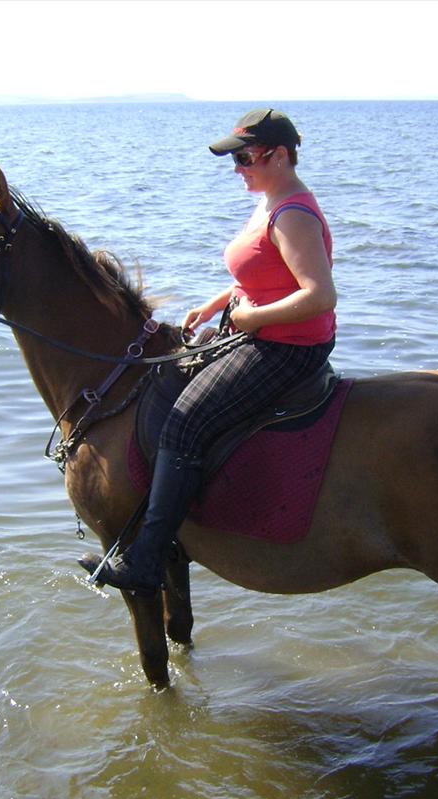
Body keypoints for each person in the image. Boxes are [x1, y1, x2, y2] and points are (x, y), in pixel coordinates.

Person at [81, 108, 338, 595]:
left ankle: (147, 563)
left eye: (244, 157)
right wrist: (218, 303)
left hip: (287, 347)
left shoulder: (293, 214)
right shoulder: (269, 200)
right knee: (164, 385)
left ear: (279, 155)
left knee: (185, 422)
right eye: (234, 159)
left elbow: (319, 294)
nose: (237, 168)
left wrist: (250, 319)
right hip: (262, 331)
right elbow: (261, 275)